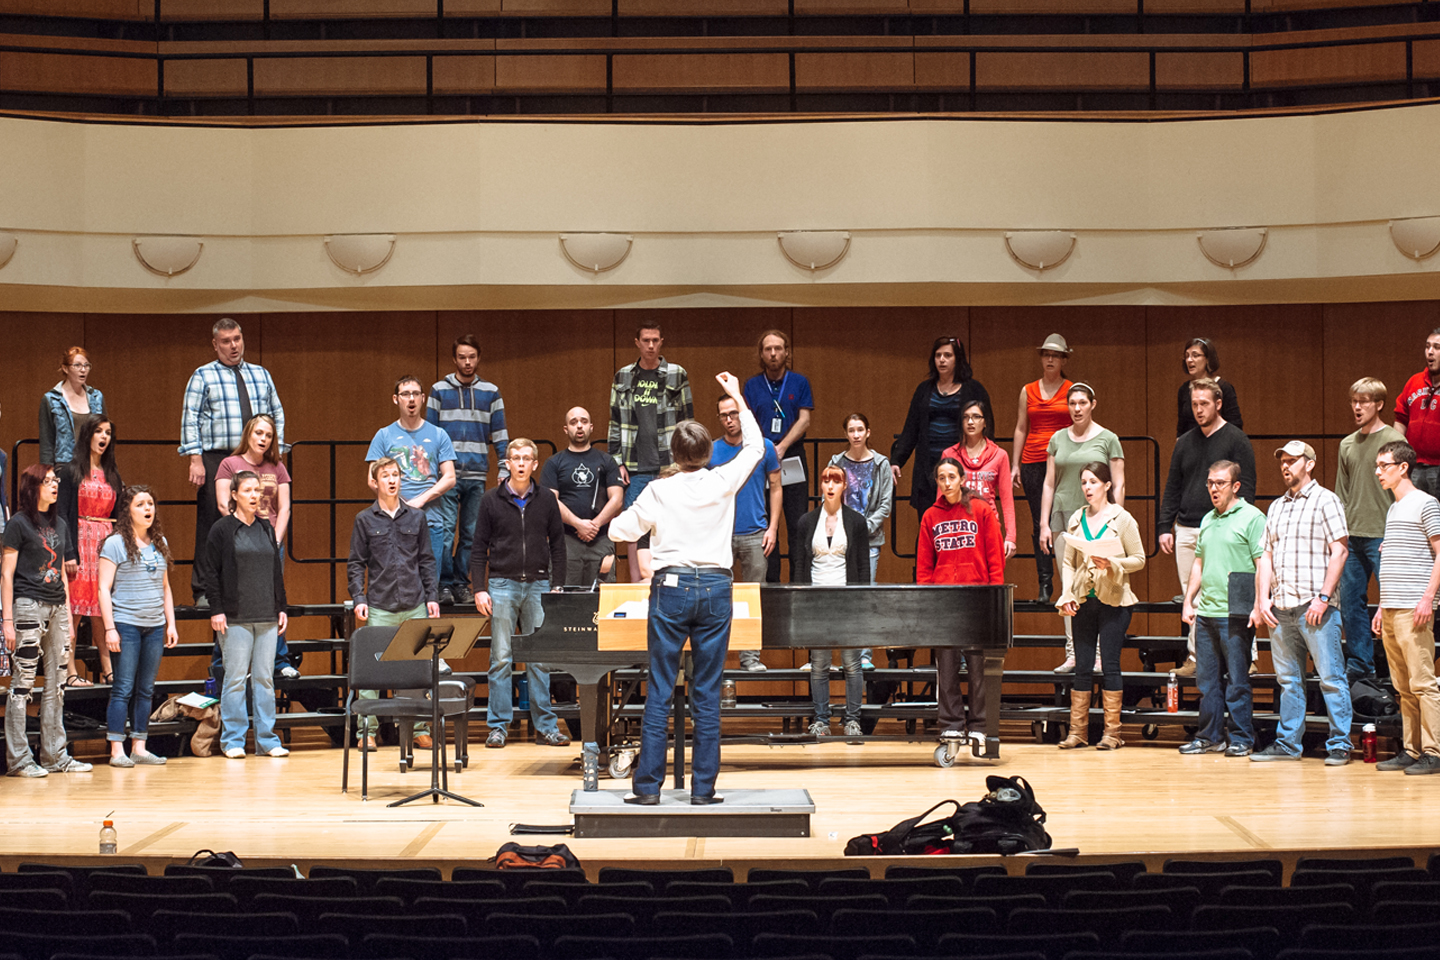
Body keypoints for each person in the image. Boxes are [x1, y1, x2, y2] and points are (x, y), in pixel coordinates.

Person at [609, 371, 760, 806]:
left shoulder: (658, 489)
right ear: (709, 452)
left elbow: (620, 531)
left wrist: (645, 522)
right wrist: (736, 394)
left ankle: (648, 790)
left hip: (671, 587)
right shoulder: (722, 481)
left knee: (660, 687)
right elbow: (754, 447)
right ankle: (704, 791)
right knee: (707, 693)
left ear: (673, 453)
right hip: (715, 588)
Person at [1251, 441, 1353, 764]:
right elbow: (1265, 556)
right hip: (1281, 608)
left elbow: (1340, 551)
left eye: (1292, 460)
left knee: (1331, 679)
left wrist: (1323, 598)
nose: (1285, 466)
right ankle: (1288, 744)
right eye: (1283, 460)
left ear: (1309, 464)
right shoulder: (1277, 507)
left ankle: (1340, 745)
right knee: (1289, 680)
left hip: (1315, 607)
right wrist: (1261, 599)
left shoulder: (1326, 500)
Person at [180, 318, 285, 609]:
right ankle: (204, 590)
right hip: (218, 457)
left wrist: (275, 454)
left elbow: (276, 412)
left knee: (260, 517)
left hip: (256, 458)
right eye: (226, 341)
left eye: (237, 338)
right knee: (214, 522)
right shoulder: (202, 375)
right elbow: (191, 418)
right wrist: (195, 459)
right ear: (215, 345)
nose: (233, 345)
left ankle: (253, 584)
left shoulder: (260, 374)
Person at [472, 438, 569, 749]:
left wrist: (558, 584)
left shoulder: (547, 501)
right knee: (500, 658)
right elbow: (477, 549)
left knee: (540, 659)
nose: (521, 463)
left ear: (535, 464)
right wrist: (478, 589)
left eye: (527, 458)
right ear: (508, 464)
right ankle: (498, 726)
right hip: (501, 585)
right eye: (516, 458)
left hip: (540, 585)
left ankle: (546, 726)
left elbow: (558, 544)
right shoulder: (490, 500)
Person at [1157, 377, 1257, 678]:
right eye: (1194, 404)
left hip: (1226, 528)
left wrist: (1239, 523)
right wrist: (1165, 525)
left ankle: (1247, 657)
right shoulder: (1184, 442)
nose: (1198, 410)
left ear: (1218, 403)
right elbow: (1173, 485)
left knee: (1236, 593)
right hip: (1188, 528)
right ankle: (1197, 657)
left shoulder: (1236, 439)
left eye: (1204, 404)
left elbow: (1248, 486)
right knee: (1193, 594)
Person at [347, 456, 441, 753]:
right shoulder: (365, 519)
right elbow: (355, 563)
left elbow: (426, 560)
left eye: (396, 475)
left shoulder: (416, 517)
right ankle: (367, 730)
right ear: (375, 482)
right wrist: (359, 598)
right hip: (380, 604)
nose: (392, 480)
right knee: (372, 670)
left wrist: (432, 597)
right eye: (385, 475)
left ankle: (418, 729)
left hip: (414, 602)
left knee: (415, 669)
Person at [3, 465, 90, 777]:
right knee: (23, 683)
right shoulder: (18, 523)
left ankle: (55, 756)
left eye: (56, 481)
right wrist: (7, 619)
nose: (55, 486)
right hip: (27, 605)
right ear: (33, 486)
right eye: (49, 481)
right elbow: (6, 573)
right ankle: (21, 759)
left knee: (57, 685)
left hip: (56, 608)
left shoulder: (60, 524)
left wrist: (66, 614)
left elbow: (65, 577)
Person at [1179, 461, 1267, 757]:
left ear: (1235, 486)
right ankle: (1210, 737)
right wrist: (1189, 600)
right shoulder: (1207, 520)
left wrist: (1259, 603)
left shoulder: (1252, 518)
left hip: (1236, 613)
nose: (1214, 489)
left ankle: (1242, 737)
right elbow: (1199, 563)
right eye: (1210, 483)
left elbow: (1262, 563)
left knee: (1238, 681)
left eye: (1220, 483)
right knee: (1207, 682)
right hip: (1206, 613)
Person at [1054, 461, 1145, 750]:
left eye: (1093, 482)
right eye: (1084, 482)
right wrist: (1067, 592)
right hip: (1083, 600)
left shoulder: (1122, 519)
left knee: (1110, 665)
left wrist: (1114, 563)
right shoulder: (1076, 519)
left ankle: (1112, 733)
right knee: (1082, 666)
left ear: (1107, 485)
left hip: (1114, 601)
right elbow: (1068, 562)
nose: (1088, 488)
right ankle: (1077, 732)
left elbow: (1140, 558)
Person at [201, 471, 289, 760]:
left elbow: (276, 572)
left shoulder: (265, 527)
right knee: (236, 678)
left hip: (266, 614)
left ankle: (267, 739)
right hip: (235, 616)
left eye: (258, 491)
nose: (255, 496)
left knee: (265, 679)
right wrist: (216, 609)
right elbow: (211, 573)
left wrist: (281, 607)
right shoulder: (222, 529)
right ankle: (233, 740)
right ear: (235, 495)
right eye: (248, 490)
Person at [1039, 383, 1125, 672]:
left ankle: (1099, 654)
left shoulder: (1109, 439)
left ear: (1092, 404)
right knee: (1069, 586)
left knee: (1098, 584)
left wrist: (1117, 518)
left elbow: (1118, 481)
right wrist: (1043, 522)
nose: (1077, 408)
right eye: (1072, 403)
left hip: (1099, 521)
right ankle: (1073, 652)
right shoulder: (1057, 439)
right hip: (1063, 517)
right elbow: (1049, 482)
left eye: (1082, 403)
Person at [919, 457, 1005, 745]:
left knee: (978, 666)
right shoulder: (930, 516)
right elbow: (924, 566)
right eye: (941, 478)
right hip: (944, 600)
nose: (946, 483)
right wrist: (928, 599)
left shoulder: (980, 509)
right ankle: (952, 723)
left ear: (962, 479)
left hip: (976, 597)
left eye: (951, 477)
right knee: (947, 665)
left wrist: (995, 596)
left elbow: (995, 555)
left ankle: (979, 724)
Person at [1371, 440, 1440, 775]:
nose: (1378, 472)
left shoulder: (1425, 504)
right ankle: (1411, 750)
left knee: (1423, 682)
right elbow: (1394, 562)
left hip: (1414, 607)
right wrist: (1380, 608)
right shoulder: (1394, 508)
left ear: (1403, 467)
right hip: (1392, 607)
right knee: (1402, 685)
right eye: (1377, 465)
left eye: (1384, 465)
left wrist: (1428, 597)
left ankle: (1434, 751)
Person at [98, 486, 177, 768]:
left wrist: (171, 623)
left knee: (146, 689)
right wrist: (110, 628)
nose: (148, 509)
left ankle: (139, 746)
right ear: (127, 510)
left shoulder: (160, 542)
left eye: (151, 503)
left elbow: (166, 587)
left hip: (154, 626)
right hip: (126, 624)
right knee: (123, 688)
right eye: (141, 504)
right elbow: (103, 589)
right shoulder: (115, 543)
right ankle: (116, 749)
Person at [427, 334, 509, 605]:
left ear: (478, 358)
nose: (467, 362)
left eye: (472, 357)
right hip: (447, 476)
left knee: (472, 533)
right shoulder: (439, 389)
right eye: (462, 357)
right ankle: (445, 584)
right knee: (447, 530)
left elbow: (500, 434)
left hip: (477, 473)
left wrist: (503, 467)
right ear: (454, 359)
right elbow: (429, 433)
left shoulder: (491, 392)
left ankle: (463, 583)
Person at [609, 321, 693, 581]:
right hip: (634, 464)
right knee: (635, 523)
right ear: (637, 343)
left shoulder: (676, 374)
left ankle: (671, 578)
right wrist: (617, 462)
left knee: (672, 521)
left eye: (655, 340)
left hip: (669, 464)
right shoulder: (623, 376)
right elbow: (614, 421)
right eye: (646, 340)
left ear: (661, 342)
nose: (651, 345)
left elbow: (687, 422)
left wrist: (684, 463)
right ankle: (637, 582)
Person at [216, 414, 296, 679]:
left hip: (269, 542)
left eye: (269, 435)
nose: (263, 439)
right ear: (248, 434)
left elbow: (284, 508)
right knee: (235, 598)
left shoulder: (277, 467)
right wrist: (241, 536)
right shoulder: (230, 464)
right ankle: (223, 662)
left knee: (272, 600)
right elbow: (222, 503)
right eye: (259, 433)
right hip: (238, 543)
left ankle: (278, 661)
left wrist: (274, 540)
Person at [793, 465, 870, 739]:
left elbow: (863, 567)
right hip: (816, 601)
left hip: (847, 600)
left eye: (835, 480)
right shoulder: (806, 521)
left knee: (852, 662)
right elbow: (800, 565)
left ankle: (852, 720)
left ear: (844, 486)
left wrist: (861, 602)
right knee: (820, 663)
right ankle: (821, 719)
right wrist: (800, 601)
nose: (830, 485)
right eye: (825, 480)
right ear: (820, 486)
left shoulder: (857, 522)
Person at [1336, 377, 1404, 682]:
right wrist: (1340, 535)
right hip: (1353, 536)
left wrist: (1396, 535)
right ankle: (1361, 664)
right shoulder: (1347, 444)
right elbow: (1342, 493)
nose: (1357, 407)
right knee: (1351, 603)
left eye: (1364, 401)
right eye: (1354, 401)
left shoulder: (1394, 442)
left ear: (1378, 405)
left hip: (1383, 534)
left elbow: (1402, 492)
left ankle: (1397, 664)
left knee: (1393, 603)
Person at [891, 336, 993, 528]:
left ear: (957, 359)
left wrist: (986, 461)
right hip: (927, 467)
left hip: (963, 465)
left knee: (961, 524)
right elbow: (911, 428)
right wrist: (896, 460)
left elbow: (988, 429)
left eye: (947, 355)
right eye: (938, 356)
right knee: (929, 525)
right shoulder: (924, 389)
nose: (942, 360)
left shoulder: (974, 389)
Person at [712, 392, 781, 672]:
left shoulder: (763, 447)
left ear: (743, 414)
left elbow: (776, 487)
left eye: (734, 413)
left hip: (756, 533)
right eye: (724, 415)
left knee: (754, 598)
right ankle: (716, 659)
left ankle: (750, 658)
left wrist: (773, 527)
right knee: (716, 599)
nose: (729, 420)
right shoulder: (712, 450)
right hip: (720, 536)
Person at [742, 329, 814, 583]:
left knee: (797, 523)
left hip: (792, 456)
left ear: (786, 352)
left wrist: (782, 447)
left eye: (778, 348)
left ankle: (798, 584)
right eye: (768, 349)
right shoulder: (751, 385)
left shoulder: (799, 382)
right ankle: (770, 583)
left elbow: (805, 419)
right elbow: (747, 421)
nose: (773, 354)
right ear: (761, 354)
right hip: (761, 460)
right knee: (765, 523)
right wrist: (767, 450)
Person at [55, 416, 122, 686]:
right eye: (98, 431)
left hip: (105, 544)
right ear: (87, 435)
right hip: (79, 541)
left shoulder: (113, 473)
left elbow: (119, 516)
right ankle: (69, 669)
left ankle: (108, 668)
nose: (103, 437)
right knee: (75, 610)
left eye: (108, 432)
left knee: (102, 609)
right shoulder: (70, 472)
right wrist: (68, 552)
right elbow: (62, 515)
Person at [366, 376, 456, 576]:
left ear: (423, 398)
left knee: (429, 582)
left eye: (415, 394)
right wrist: (400, 502)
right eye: (405, 394)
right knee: (393, 579)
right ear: (396, 399)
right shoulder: (384, 435)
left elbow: (450, 477)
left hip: (430, 520)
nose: (411, 399)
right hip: (393, 519)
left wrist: (420, 500)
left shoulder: (439, 434)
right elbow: (372, 479)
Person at [828, 412, 894, 670]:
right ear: (846, 434)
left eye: (860, 430)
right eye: (851, 430)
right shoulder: (836, 462)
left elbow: (885, 505)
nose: (855, 434)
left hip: (869, 540)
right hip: (841, 538)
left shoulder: (881, 464)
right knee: (843, 597)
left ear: (868, 432)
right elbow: (830, 499)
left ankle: (864, 655)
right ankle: (845, 653)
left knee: (865, 594)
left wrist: (861, 528)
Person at [1012, 333, 1074, 603]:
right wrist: (1015, 464)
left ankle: (1068, 582)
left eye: (1056, 355)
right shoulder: (1028, 390)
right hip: (1033, 461)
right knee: (1041, 521)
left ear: (1063, 359)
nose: (1050, 359)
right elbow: (1021, 427)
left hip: (1063, 462)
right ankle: (1045, 583)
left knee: (1067, 521)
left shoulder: (1072, 389)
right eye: (1046, 354)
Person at [539, 406, 624, 587]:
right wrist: (578, 524)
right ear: (566, 429)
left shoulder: (607, 461)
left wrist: (594, 525)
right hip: (565, 540)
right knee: (566, 602)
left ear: (591, 427)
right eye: (573, 422)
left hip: (601, 539)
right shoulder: (554, 463)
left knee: (603, 601)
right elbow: (550, 501)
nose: (579, 426)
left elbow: (617, 500)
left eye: (584, 422)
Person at [943, 399, 1017, 561]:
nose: (970, 422)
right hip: (958, 529)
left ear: (985, 422)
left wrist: (1010, 537)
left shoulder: (1000, 455)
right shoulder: (950, 454)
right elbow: (941, 500)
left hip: (988, 527)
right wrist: (941, 532)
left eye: (976, 417)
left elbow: (1006, 499)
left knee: (989, 582)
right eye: (966, 417)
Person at [1393, 327, 1440, 498]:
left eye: (1437, 347)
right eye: (1428, 347)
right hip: (1414, 466)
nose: (1430, 352)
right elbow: (1400, 419)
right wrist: (1399, 456)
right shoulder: (1414, 382)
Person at [40, 346, 105, 468]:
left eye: (86, 365)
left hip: (92, 464)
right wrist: (47, 472)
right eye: (77, 365)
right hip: (64, 466)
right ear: (65, 368)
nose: (83, 370)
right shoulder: (51, 399)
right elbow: (46, 442)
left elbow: (105, 434)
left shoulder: (97, 397)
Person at [1177, 337, 1243, 437]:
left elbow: (1235, 424)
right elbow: (1181, 427)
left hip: (1219, 444)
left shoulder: (1224, 387)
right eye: (1187, 356)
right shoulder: (1184, 389)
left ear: (1208, 359)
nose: (1189, 360)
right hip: (1192, 445)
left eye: (1195, 355)